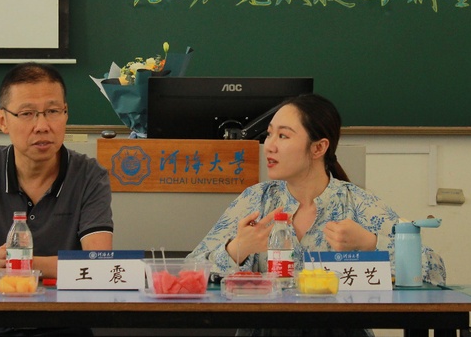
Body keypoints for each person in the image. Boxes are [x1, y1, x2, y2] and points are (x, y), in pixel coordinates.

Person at [187, 93, 445, 337]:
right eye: (269, 134)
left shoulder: (356, 203)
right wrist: (237, 249)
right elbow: (190, 273)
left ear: (319, 147)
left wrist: (370, 244)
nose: (269, 146)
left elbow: (434, 271)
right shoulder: (257, 199)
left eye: (283, 136)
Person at [0, 62, 113, 337]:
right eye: (27, 114)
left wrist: (22, 265)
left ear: (66, 114)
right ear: (2, 120)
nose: (42, 126)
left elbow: (98, 262)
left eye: (53, 111)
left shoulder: (90, 176)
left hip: (66, 326)